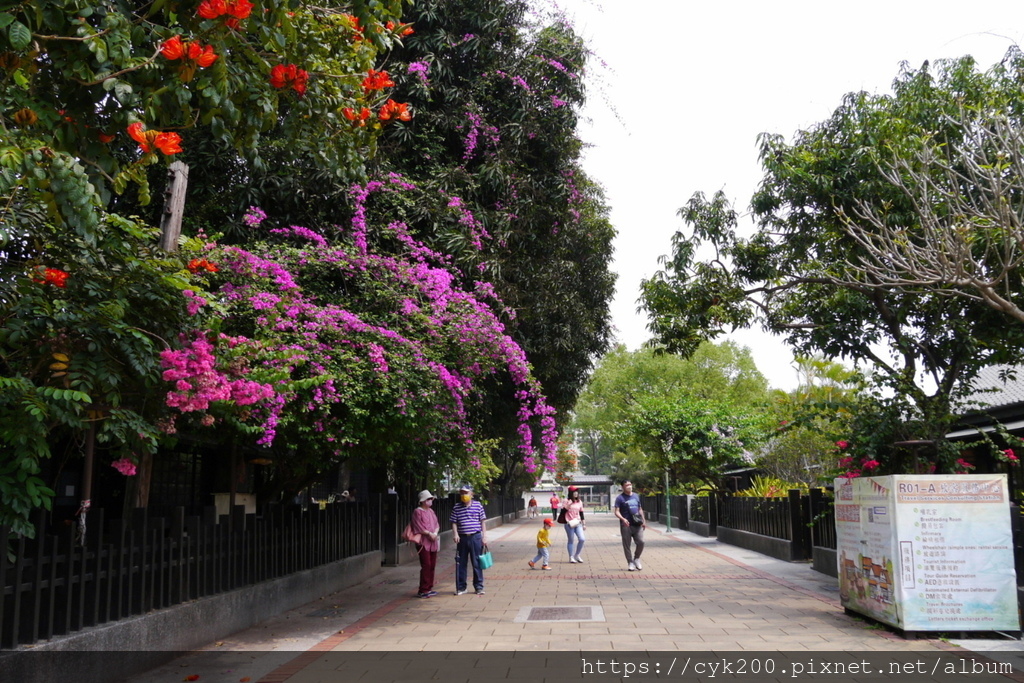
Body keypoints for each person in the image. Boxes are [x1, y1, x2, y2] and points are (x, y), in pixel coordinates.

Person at [450, 484, 488, 595]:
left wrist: (484, 536)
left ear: (471, 494)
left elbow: (482, 521)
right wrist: (455, 534)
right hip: (462, 538)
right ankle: (461, 587)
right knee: (461, 563)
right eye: (461, 493)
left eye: (466, 493)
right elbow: (454, 522)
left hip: (475, 537)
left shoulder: (478, 505)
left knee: (477, 562)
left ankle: (479, 586)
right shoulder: (457, 507)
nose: (463, 495)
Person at [411, 490, 441, 598]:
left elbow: (437, 524)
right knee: (426, 564)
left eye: (431, 499)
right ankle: (423, 589)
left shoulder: (431, 511)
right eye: (428, 499)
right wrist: (429, 534)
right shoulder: (417, 512)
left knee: (432, 564)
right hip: (423, 542)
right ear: (423, 501)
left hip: (433, 541)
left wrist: (435, 533)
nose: (430, 501)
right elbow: (418, 527)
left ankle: (429, 587)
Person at [613, 480, 646, 571]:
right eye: (627, 485)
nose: (629, 486)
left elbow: (640, 509)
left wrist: (643, 520)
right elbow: (616, 511)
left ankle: (636, 558)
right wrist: (623, 519)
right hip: (626, 525)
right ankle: (630, 562)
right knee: (627, 545)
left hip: (637, 524)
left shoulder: (636, 496)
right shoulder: (620, 498)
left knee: (641, 542)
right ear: (623, 487)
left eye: (630, 484)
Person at [561, 485, 586, 563]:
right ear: (570, 493)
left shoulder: (579, 501)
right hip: (569, 523)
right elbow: (562, 512)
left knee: (582, 539)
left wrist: (584, 524)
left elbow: (581, 513)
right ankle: (571, 557)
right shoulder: (566, 500)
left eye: (576, 492)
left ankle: (577, 555)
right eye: (574, 492)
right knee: (571, 540)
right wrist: (569, 504)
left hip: (578, 523)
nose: (576, 493)